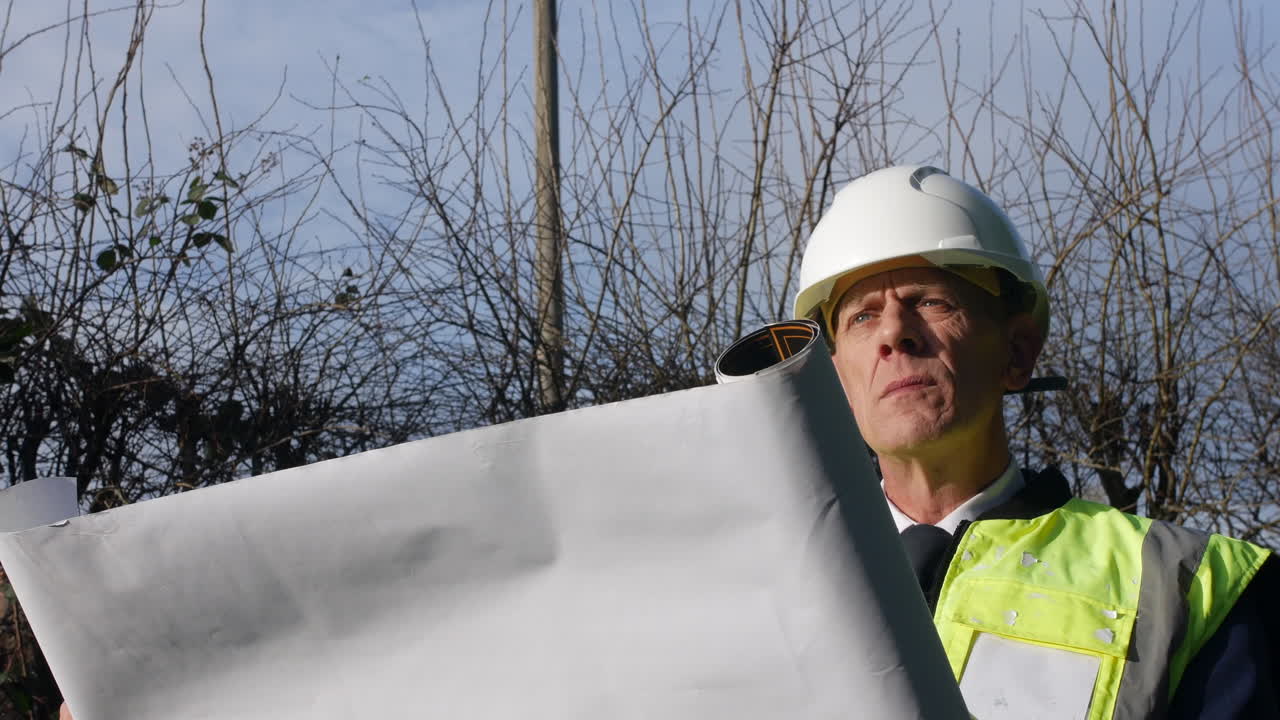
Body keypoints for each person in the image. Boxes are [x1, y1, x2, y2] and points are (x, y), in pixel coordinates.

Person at [793, 165, 1278, 719]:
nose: (893, 333)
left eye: (930, 302)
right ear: (837, 380)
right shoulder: (771, 586)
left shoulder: (1187, 587)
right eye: (862, 316)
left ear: (1018, 352)